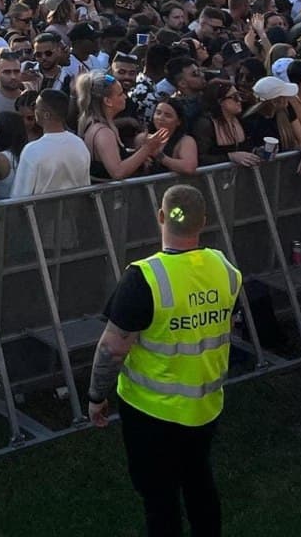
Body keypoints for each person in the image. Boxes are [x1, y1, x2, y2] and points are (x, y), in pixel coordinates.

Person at [88, 184, 240, 537]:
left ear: (161, 217)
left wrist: (97, 397)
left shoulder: (144, 278)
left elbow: (112, 348)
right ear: (204, 221)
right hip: (204, 406)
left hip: (150, 412)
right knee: (199, 481)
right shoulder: (225, 268)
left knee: (159, 497)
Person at [11, 89, 92, 196]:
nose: (35, 110)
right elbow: (86, 185)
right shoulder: (79, 144)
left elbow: (19, 195)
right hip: (75, 210)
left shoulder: (32, 150)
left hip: (41, 211)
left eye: (37, 107)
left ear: (46, 115)